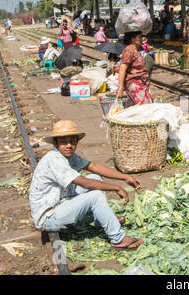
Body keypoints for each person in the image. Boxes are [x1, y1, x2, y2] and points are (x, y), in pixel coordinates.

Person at [29, 120, 144, 251]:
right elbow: (84, 182)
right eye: (63, 142)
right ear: (55, 143)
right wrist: (117, 187)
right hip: (49, 217)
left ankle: (102, 220)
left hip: (62, 201)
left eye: (72, 141)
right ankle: (118, 239)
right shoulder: (54, 159)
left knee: (95, 178)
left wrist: (125, 177)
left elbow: (93, 167)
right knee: (94, 194)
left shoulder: (67, 155)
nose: (69, 145)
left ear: (77, 142)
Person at [117, 31, 152, 105]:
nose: (141, 39)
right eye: (139, 37)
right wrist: (120, 88)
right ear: (132, 39)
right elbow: (122, 68)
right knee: (143, 109)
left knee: (137, 109)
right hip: (135, 84)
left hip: (141, 84)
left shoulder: (136, 49)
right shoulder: (129, 49)